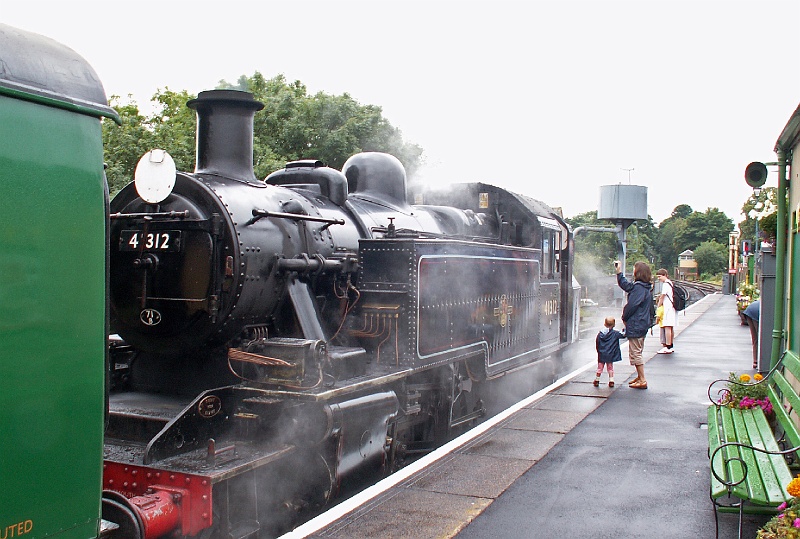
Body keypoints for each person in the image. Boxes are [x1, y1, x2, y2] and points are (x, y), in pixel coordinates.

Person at [615, 260, 653, 389]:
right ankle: (639, 376)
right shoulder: (643, 287)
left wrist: (624, 316)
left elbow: (632, 305)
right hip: (642, 323)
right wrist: (619, 272)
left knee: (636, 353)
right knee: (637, 351)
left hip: (637, 323)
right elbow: (626, 286)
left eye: (634, 270)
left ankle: (642, 379)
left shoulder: (639, 288)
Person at [595, 316, 625, 388]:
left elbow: (597, 343)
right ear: (614, 325)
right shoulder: (615, 333)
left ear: (604, 324)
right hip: (610, 355)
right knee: (610, 368)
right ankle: (611, 381)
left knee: (599, 368)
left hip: (602, 354)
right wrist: (625, 329)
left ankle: (597, 380)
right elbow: (623, 335)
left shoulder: (600, 334)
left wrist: (599, 351)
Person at [655, 268, 676, 354]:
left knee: (667, 327)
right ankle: (670, 345)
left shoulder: (665, 284)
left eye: (660, 276)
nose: (659, 278)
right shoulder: (670, 283)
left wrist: (658, 306)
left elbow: (662, 296)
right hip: (671, 308)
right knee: (670, 327)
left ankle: (667, 347)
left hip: (667, 308)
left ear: (664, 275)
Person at [742, 299, 760, 369]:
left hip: (749, 310)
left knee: (755, 339)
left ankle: (755, 361)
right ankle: (758, 362)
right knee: (759, 338)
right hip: (755, 312)